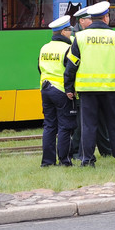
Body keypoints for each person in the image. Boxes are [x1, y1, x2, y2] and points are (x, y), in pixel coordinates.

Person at [64, 1, 115, 168]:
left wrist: (69, 87)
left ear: (92, 19)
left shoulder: (80, 37)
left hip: (87, 90)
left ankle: (87, 160)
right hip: (112, 89)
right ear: (106, 17)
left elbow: (71, 65)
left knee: (88, 125)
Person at [69, 6, 113, 160]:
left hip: (91, 86)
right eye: (90, 18)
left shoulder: (81, 36)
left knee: (97, 122)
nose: (93, 21)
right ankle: (77, 152)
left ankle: (105, 150)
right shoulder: (76, 38)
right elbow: (70, 64)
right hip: (84, 86)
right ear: (82, 21)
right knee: (83, 124)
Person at [39, 16, 76, 167]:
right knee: (65, 127)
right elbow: (70, 71)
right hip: (61, 91)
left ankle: (47, 162)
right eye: (69, 30)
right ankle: (65, 160)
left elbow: (39, 68)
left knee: (49, 126)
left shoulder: (44, 47)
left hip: (45, 89)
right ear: (63, 32)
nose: (71, 33)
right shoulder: (67, 48)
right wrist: (70, 89)